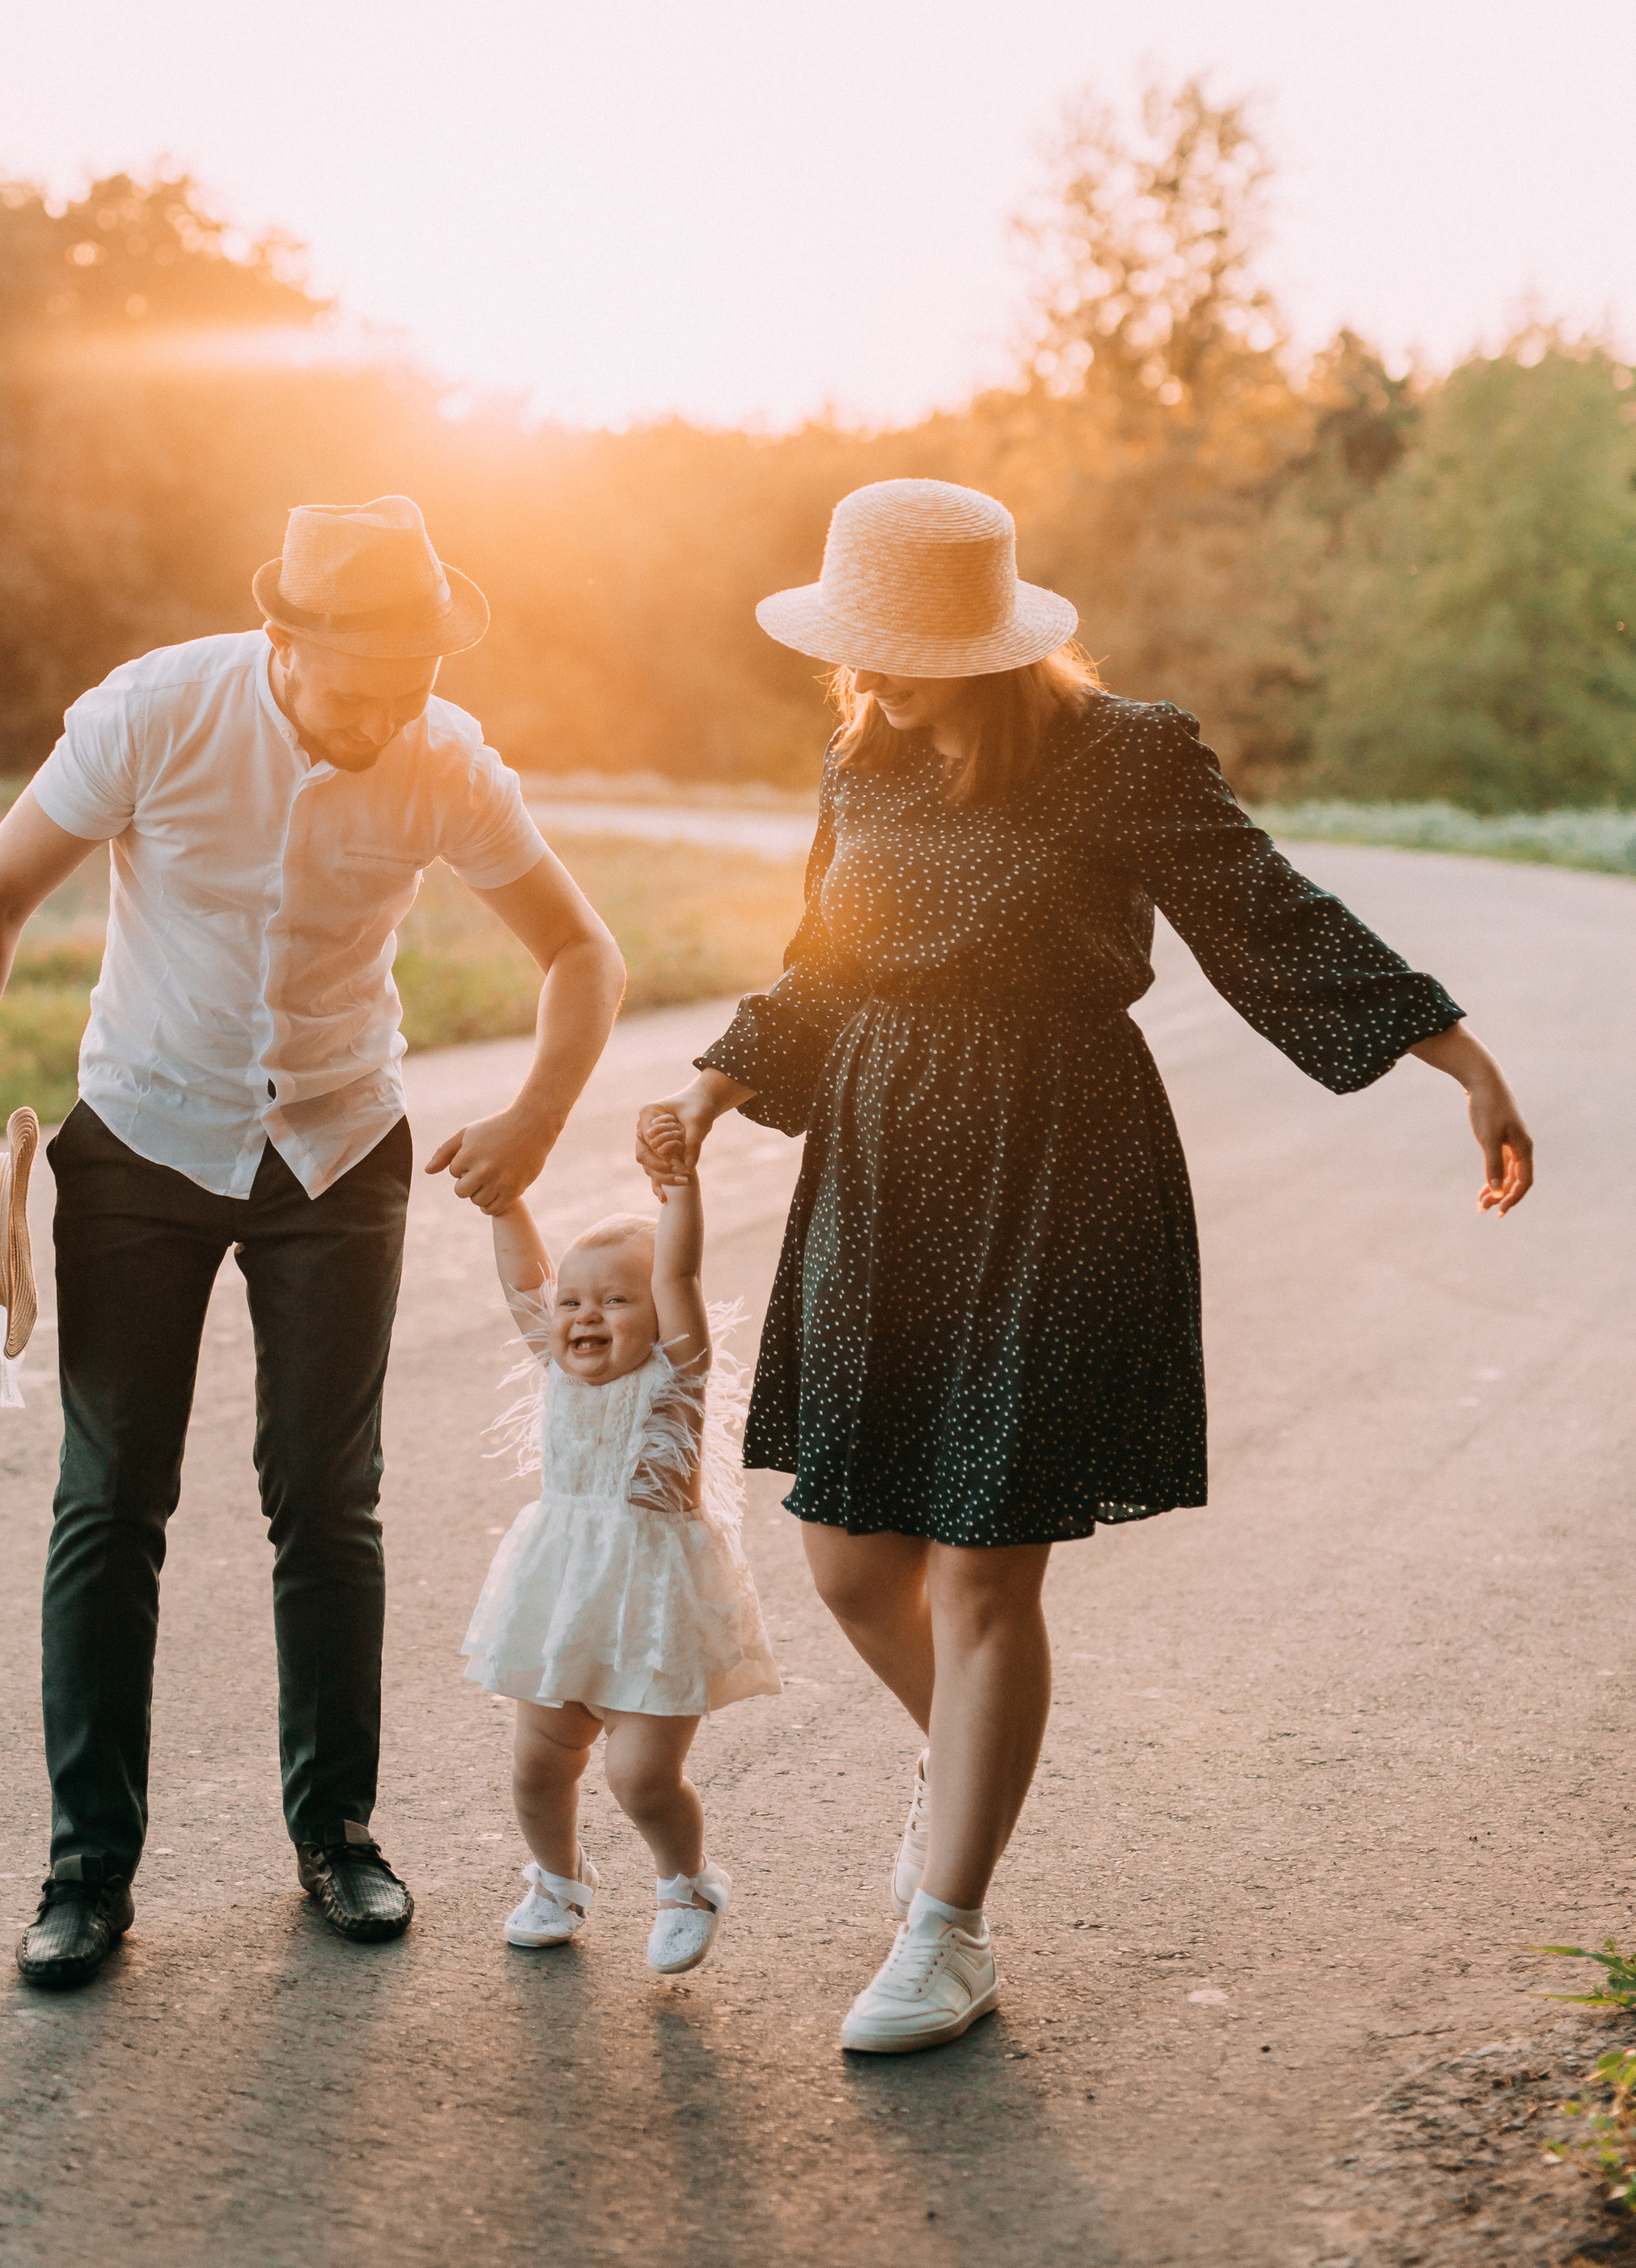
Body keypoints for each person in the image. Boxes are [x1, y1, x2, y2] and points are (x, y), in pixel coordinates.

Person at [636, 477, 1532, 2058]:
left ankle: (945, 1928)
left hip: (1057, 1155)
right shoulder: (861, 751)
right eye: (862, 644)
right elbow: (825, 960)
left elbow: (1264, 911)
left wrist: (1448, 1055)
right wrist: (715, 1079)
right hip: (878, 1163)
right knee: (849, 1557)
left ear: (986, 640)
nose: (875, 671)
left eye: (905, 645)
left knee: (982, 1557)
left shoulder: (1120, 753)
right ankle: (971, 1762)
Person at [0, 494, 626, 1989]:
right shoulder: (156, 714)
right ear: (284, 640)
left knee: (327, 1497)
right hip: (146, 1131)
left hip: (340, 1148)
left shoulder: (441, 755)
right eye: (368, 683)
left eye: (419, 678)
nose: (395, 713)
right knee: (111, 1499)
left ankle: (337, 1834)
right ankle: (87, 1869)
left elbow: (581, 951)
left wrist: (543, 1113)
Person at [460, 1137, 779, 1972]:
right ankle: (558, 1880)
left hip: (655, 1606)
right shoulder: (560, 1371)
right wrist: (505, 1202)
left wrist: (679, 1197)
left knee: (640, 1777)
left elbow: (678, 1277)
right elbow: (524, 1287)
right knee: (538, 1764)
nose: (584, 1315)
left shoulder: (677, 1377)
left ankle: (686, 1883)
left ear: (661, 1316)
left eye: (615, 1299)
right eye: (575, 1301)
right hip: (566, 1596)